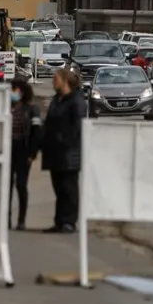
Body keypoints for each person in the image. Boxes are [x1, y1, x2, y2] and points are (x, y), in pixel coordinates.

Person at [41, 67, 87, 233]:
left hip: (69, 153)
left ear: (65, 81)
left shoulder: (76, 100)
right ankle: (60, 220)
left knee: (69, 188)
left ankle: (69, 221)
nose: (53, 81)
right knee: (59, 187)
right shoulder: (56, 99)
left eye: (56, 78)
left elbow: (78, 126)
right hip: (55, 152)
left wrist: (64, 140)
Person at [9, 78, 42, 231]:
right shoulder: (5, 107)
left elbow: (36, 132)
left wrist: (33, 153)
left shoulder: (31, 109)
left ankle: (21, 220)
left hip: (23, 150)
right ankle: (5, 219)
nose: (11, 93)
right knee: (6, 185)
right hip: (7, 149)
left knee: (21, 184)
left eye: (14, 90)